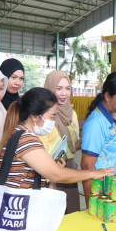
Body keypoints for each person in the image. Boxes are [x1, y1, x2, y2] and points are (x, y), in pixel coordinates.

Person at [0, 87, 115, 189]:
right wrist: (92, 173)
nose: (53, 121)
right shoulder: (26, 140)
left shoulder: (17, 133)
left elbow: (50, 176)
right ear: (35, 116)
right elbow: (57, 175)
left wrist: (53, 175)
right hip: (18, 211)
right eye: (52, 116)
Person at [81, 72, 116, 207]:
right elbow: (87, 167)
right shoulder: (96, 123)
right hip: (104, 193)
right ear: (107, 96)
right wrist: (91, 205)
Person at [40, 70, 81, 213]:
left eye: (67, 88)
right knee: (52, 214)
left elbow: (74, 143)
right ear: (50, 88)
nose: (64, 93)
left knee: (72, 211)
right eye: (58, 88)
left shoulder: (72, 114)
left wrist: (78, 144)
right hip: (48, 169)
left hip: (69, 167)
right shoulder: (42, 114)